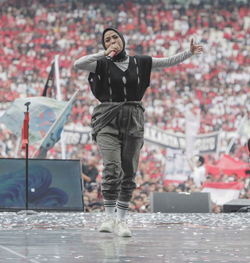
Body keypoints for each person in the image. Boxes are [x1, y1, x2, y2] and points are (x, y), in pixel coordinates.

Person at [74, 27, 203, 237]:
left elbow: (167, 61)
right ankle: (108, 216)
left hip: (133, 119)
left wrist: (188, 52)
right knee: (112, 166)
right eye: (107, 40)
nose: (112, 41)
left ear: (123, 39)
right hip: (107, 119)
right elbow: (77, 64)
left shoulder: (140, 62)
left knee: (128, 170)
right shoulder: (100, 63)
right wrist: (104, 54)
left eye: (115, 37)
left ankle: (123, 220)